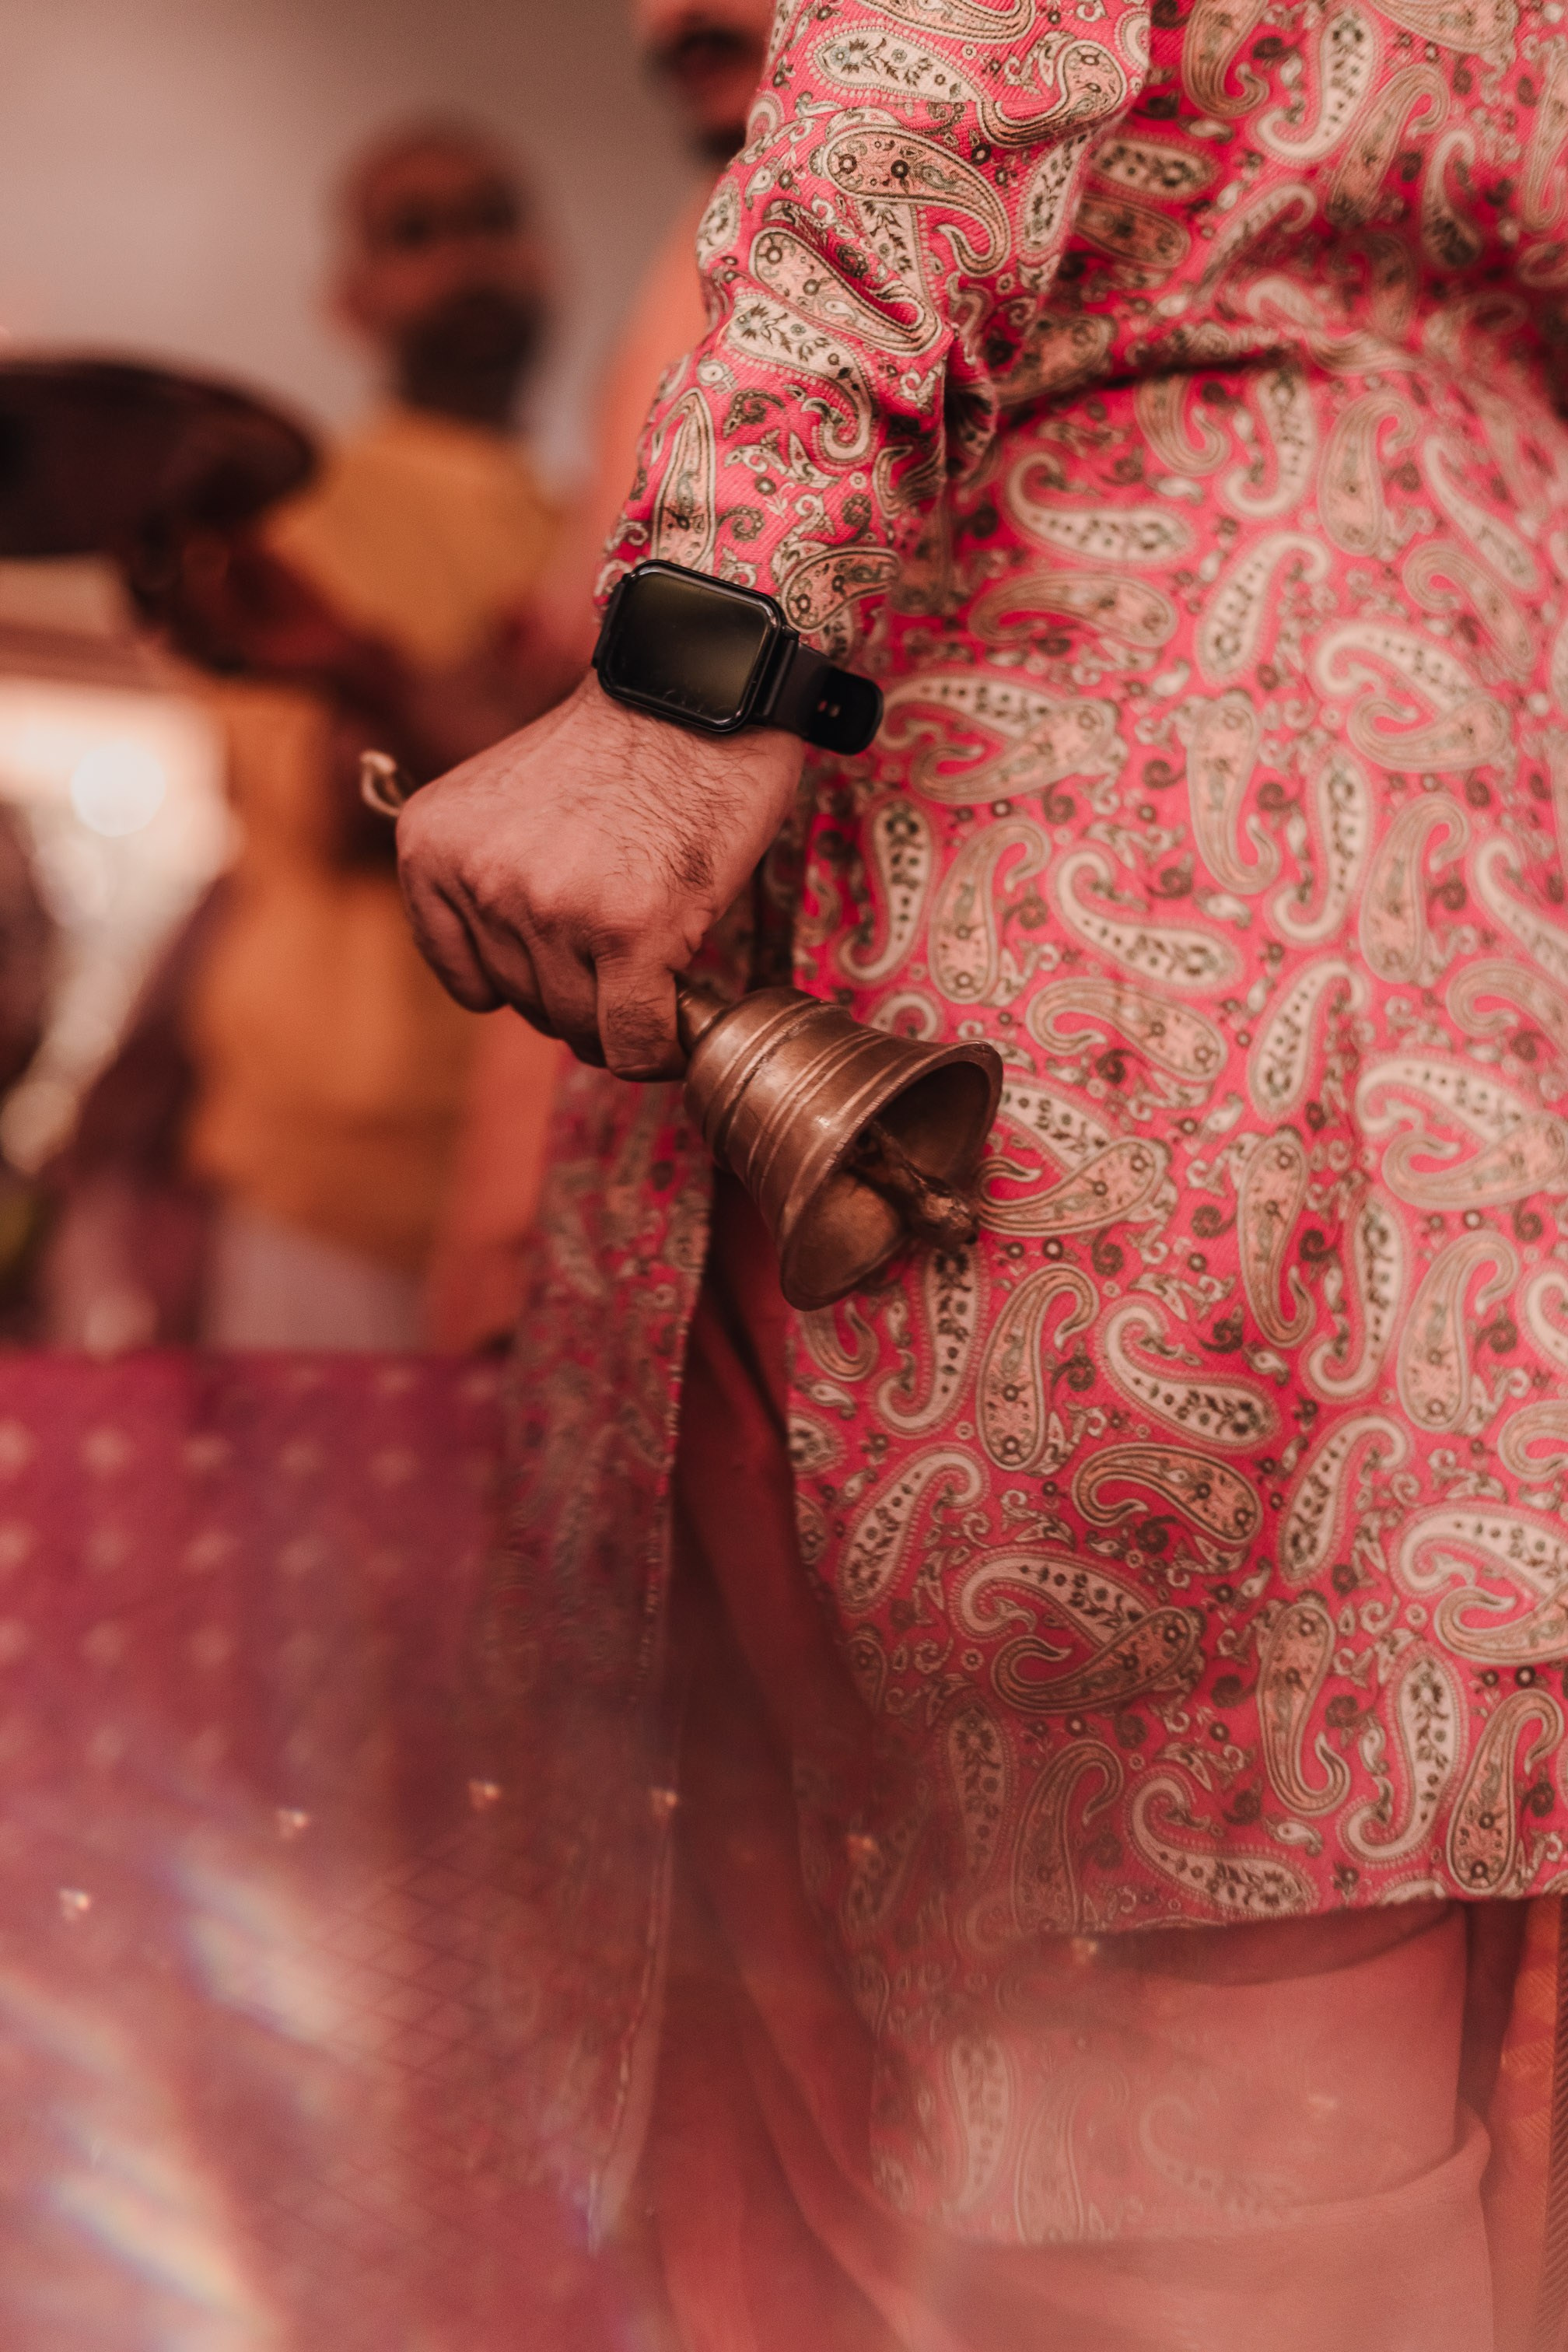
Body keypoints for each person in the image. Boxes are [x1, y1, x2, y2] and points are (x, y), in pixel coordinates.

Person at [398, 1, 1568, 2346]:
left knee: (1088, 2051)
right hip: (1482, 798)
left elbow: (966, 47)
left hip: (1087, 806)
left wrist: (697, 666)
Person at [45, 120, 564, 1351]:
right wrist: (521, 716)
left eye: (492, 218)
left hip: (538, 1164)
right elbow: (345, 809)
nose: (469, 256)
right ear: (352, 299)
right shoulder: (290, 505)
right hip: (329, 1176)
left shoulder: (599, 508)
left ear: (544, 257)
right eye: (417, 232)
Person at [424, 0, 778, 1350]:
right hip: (606, 1097)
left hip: (806, 1094)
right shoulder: (699, 246)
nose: (676, 16)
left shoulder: (909, 228)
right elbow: (560, 705)